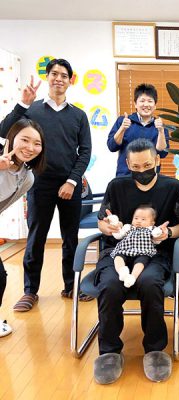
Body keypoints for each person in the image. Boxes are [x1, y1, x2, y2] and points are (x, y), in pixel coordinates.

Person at [0, 58, 92, 312]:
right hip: (37, 184)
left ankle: (71, 286)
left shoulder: (78, 115)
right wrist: (22, 104)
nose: (59, 78)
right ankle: (30, 291)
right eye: (54, 74)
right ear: (48, 77)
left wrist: (72, 181)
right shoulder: (32, 110)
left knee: (70, 238)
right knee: (36, 237)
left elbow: (85, 151)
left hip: (70, 185)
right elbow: (4, 131)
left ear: (70, 81)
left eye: (64, 75)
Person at [93, 138, 179, 385]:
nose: (142, 171)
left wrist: (168, 233)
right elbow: (102, 220)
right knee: (110, 285)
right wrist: (108, 227)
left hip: (154, 253)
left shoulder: (172, 187)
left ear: (157, 160)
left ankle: (155, 350)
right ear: (127, 164)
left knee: (150, 283)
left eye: (147, 165)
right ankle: (109, 351)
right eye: (135, 167)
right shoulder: (116, 186)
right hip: (117, 251)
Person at [0, 119, 46, 336]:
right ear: (11, 139)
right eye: (24, 140)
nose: (30, 148)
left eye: (37, 143)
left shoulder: (27, 177)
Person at [107, 83, 169, 176]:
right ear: (135, 104)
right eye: (142, 101)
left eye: (150, 101)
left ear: (155, 105)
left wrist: (160, 131)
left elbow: (163, 153)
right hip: (125, 176)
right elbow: (112, 146)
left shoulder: (160, 126)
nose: (146, 104)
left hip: (150, 178)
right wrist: (122, 128)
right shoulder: (123, 121)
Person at [109, 205, 162, 288]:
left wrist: (157, 233)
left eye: (143, 219)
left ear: (152, 223)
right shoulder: (128, 227)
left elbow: (157, 241)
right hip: (125, 250)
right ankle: (122, 272)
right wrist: (115, 224)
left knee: (140, 263)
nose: (138, 221)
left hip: (142, 252)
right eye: (136, 218)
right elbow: (118, 236)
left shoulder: (152, 229)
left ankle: (132, 277)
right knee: (118, 257)